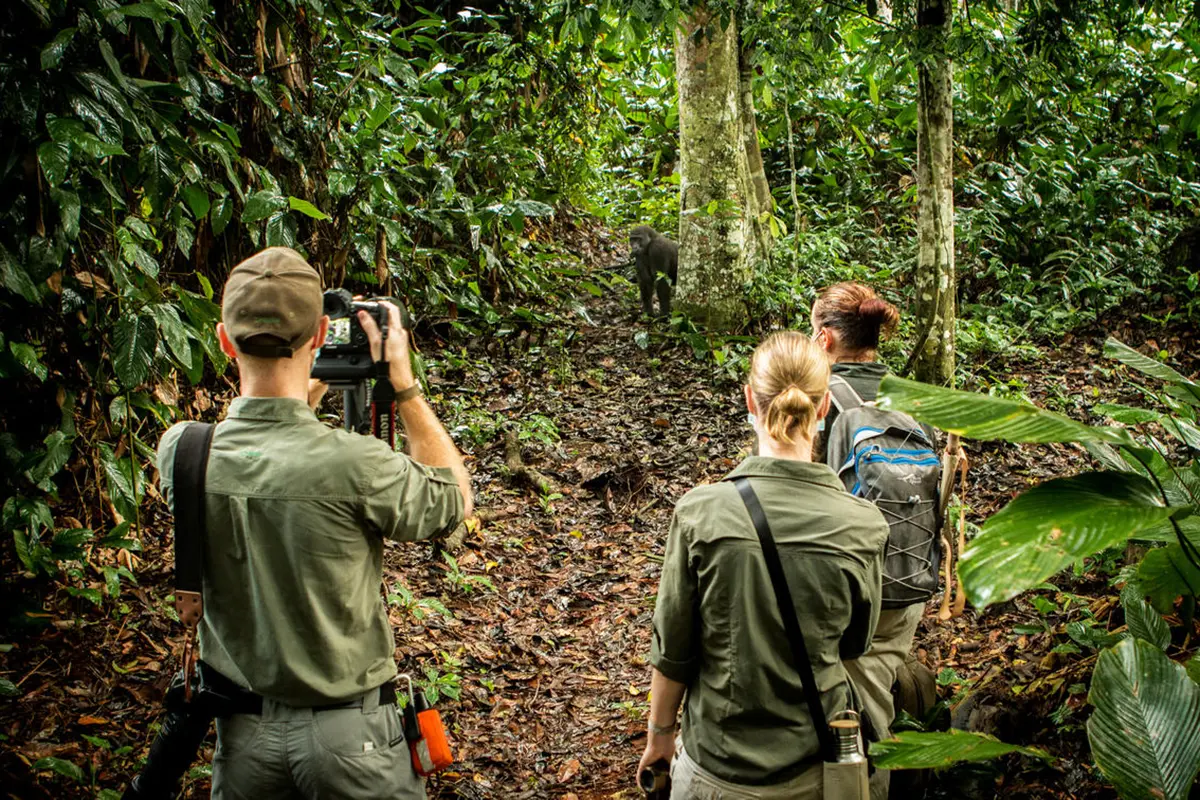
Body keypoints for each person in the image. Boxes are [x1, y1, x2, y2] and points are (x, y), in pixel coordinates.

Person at [153, 247, 472, 800]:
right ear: (321, 333)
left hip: (242, 742)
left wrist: (308, 382)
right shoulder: (355, 464)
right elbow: (453, 498)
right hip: (352, 743)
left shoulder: (183, 453)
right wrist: (404, 386)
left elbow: (266, 451)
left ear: (224, 340)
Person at [637, 332, 889, 799]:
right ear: (824, 406)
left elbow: (674, 649)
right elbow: (855, 643)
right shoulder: (864, 525)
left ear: (750, 400)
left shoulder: (700, 514)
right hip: (817, 767)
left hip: (716, 768)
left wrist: (660, 738)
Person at [812, 281, 933, 799]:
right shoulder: (914, 401)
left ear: (824, 338)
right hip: (908, 578)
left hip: (844, 589)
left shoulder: (819, 401)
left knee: (847, 712)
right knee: (874, 692)